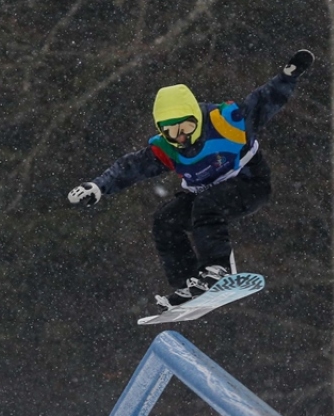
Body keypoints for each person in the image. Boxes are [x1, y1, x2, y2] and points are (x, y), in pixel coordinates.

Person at [68, 49, 315, 310]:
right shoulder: (168, 148)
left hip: (249, 182)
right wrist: (98, 186)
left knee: (207, 205)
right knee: (166, 220)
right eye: (171, 131)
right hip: (204, 194)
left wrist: (288, 76)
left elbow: (264, 101)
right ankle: (190, 283)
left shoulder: (226, 122)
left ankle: (217, 270)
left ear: (196, 117)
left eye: (186, 127)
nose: (181, 137)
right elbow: (132, 166)